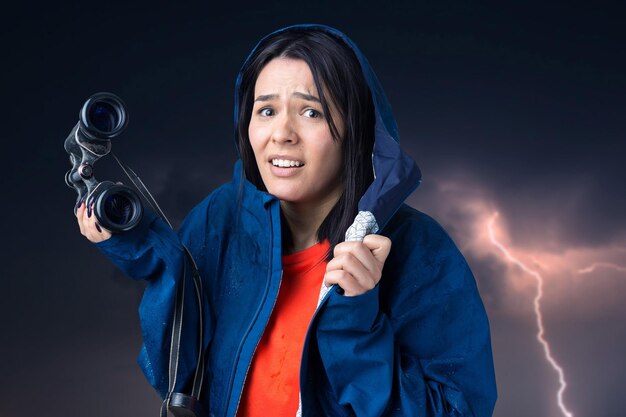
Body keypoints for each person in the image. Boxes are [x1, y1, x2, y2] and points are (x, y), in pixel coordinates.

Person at [76, 24, 497, 417]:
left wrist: (356, 323)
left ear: (357, 128)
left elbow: (459, 409)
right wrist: (145, 247)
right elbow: (177, 370)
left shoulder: (419, 250)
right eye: (266, 111)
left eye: (310, 112)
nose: (282, 134)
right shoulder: (221, 218)